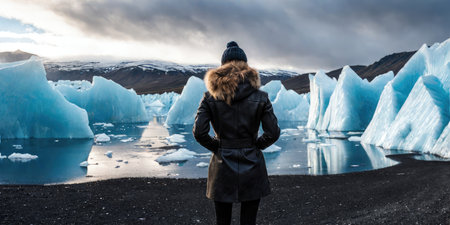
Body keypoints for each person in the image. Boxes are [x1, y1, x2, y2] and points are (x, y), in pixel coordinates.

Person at [193, 41, 280, 225]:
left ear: (223, 65)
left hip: (222, 165)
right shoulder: (261, 97)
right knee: (249, 221)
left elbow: (199, 132)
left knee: (222, 221)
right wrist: (256, 145)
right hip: (252, 164)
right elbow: (272, 132)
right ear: (245, 65)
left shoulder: (210, 97)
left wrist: (217, 146)